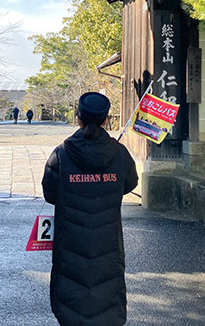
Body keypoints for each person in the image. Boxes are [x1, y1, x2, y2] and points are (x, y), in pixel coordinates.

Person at [42, 92, 138, 326]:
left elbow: (50, 193)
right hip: (107, 239)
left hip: (71, 239)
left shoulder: (62, 153)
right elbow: (130, 183)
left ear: (78, 118)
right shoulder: (118, 153)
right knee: (107, 285)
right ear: (105, 120)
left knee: (72, 290)